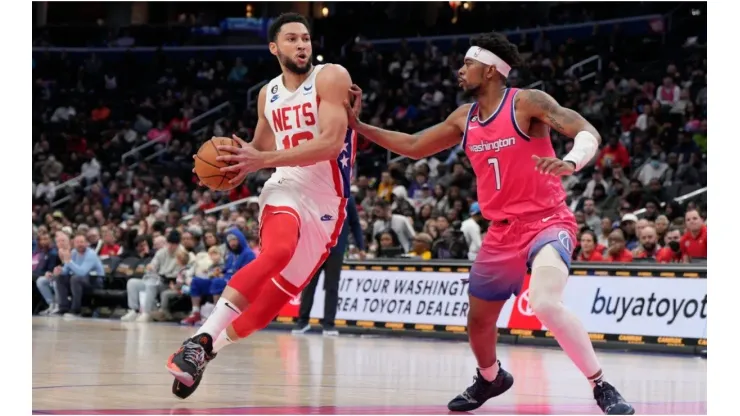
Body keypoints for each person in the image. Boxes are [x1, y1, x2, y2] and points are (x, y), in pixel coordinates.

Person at [343, 32, 633, 415]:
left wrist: (571, 161)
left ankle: (601, 385)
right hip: (500, 232)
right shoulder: (464, 118)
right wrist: (358, 125)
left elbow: (585, 130)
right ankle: (491, 377)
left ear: (493, 70)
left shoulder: (527, 102)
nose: (460, 70)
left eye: (468, 64)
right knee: (478, 320)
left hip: (546, 220)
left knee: (545, 302)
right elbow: (414, 145)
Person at [167, 12, 355, 399]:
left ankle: (207, 352)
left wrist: (259, 159)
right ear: (274, 48)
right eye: (291, 39)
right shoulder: (267, 94)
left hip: (327, 201)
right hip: (285, 184)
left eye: (305, 38)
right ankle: (201, 336)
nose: (302, 45)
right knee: (278, 250)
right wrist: (236, 167)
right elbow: (261, 149)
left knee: (273, 301)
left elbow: (331, 144)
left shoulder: (331, 77)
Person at [292, 196, 365, 336]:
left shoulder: (348, 199)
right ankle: (302, 321)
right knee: (309, 286)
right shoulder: (317, 196)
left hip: (336, 250)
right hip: (315, 249)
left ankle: (329, 324)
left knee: (332, 287)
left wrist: (361, 246)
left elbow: (355, 223)